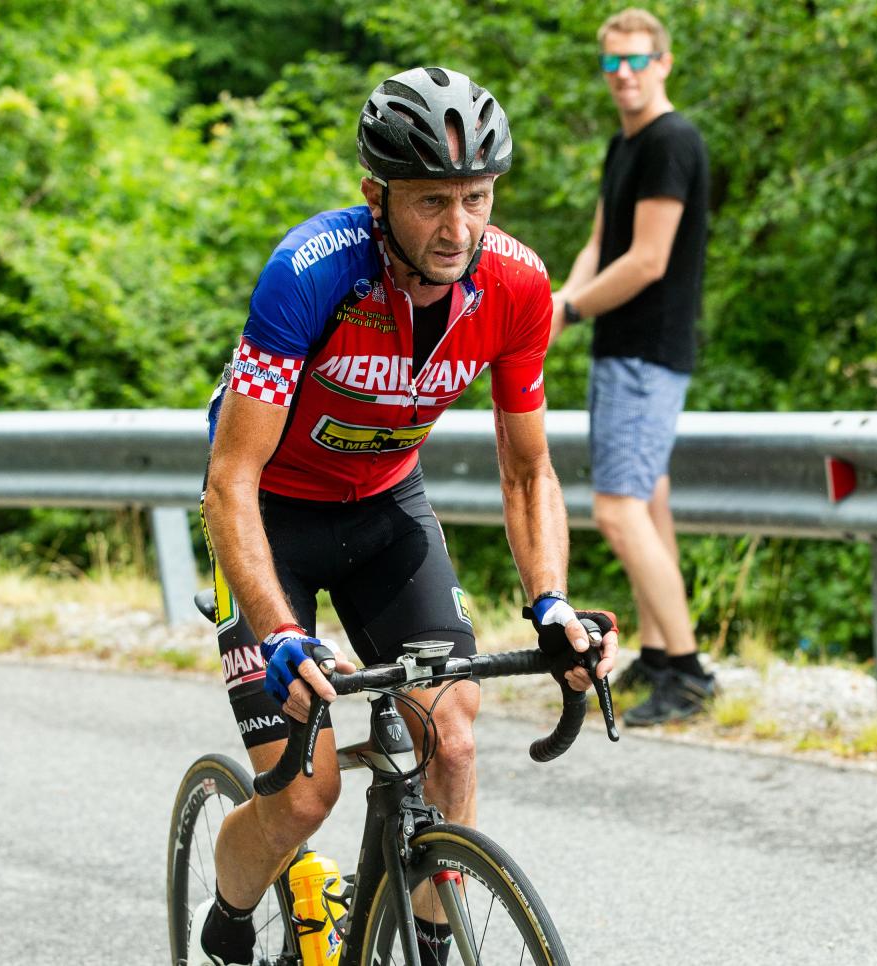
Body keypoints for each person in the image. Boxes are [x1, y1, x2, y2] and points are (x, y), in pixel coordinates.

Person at [193, 67, 619, 966]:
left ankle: (428, 947)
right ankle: (229, 916)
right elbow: (230, 483)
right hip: (273, 517)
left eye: (476, 198)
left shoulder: (517, 286)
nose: (458, 227)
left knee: (452, 742)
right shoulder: (309, 272)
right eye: (432, 201)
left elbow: (528, 471)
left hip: (386, 508)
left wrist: (551, 603)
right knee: (303, 796)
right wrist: (280, 632)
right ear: (375, 196)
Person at [549, 8, 714, 727]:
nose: (624, 75)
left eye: (638, 60)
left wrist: (572, 309)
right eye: (613, 63)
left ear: (663, 63)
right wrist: (560, 303)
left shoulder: (671, 141)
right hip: (625, 349)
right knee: (648, 504)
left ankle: (688, 673)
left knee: (617, 510)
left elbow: (647, 260)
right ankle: (662, 650)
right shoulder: (627, 144)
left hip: (646, 353)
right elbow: (601, 243)